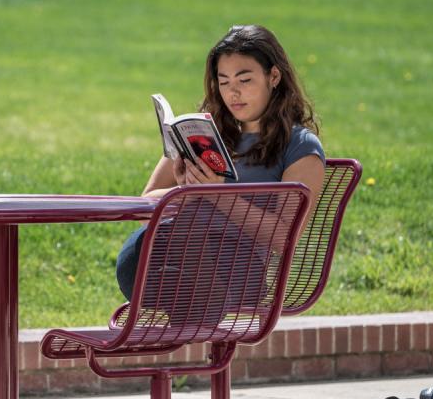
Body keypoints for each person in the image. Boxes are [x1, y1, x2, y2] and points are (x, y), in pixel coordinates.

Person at [116, 24, 326, 307]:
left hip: (237, 265)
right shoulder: (200, 133)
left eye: (244, 80)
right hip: (170, 258)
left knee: (176, 261)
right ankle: (198, 297)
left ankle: (202, 297)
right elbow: (143, 208)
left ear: (273, 76)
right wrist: (185, 189)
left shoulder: (300, 146)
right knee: (150, 255)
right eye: (224, 82)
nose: (233, 93)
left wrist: (219, 193)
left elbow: (283, 237)